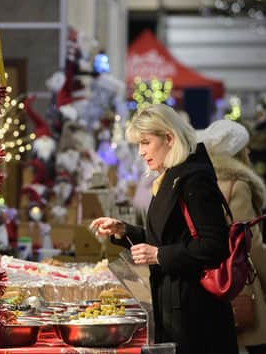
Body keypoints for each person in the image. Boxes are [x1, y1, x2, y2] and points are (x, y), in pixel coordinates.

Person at [90, 104, 237, 354]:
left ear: (169, 138)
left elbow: (214, 245)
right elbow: (167, 236)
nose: (141, 152)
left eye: (145, 142)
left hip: (196, 314)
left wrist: (158, 255)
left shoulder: (194, 180)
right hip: (176, 306)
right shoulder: (173, 175)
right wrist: (124, 230)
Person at [198, 120, 266, 354]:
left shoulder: (201, 180)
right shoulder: (237, 186)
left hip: (211, 282)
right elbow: (250, 242)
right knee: (261, 347)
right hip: (238, 281)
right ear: (236, 151)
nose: (250, 151)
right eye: (245, 146)